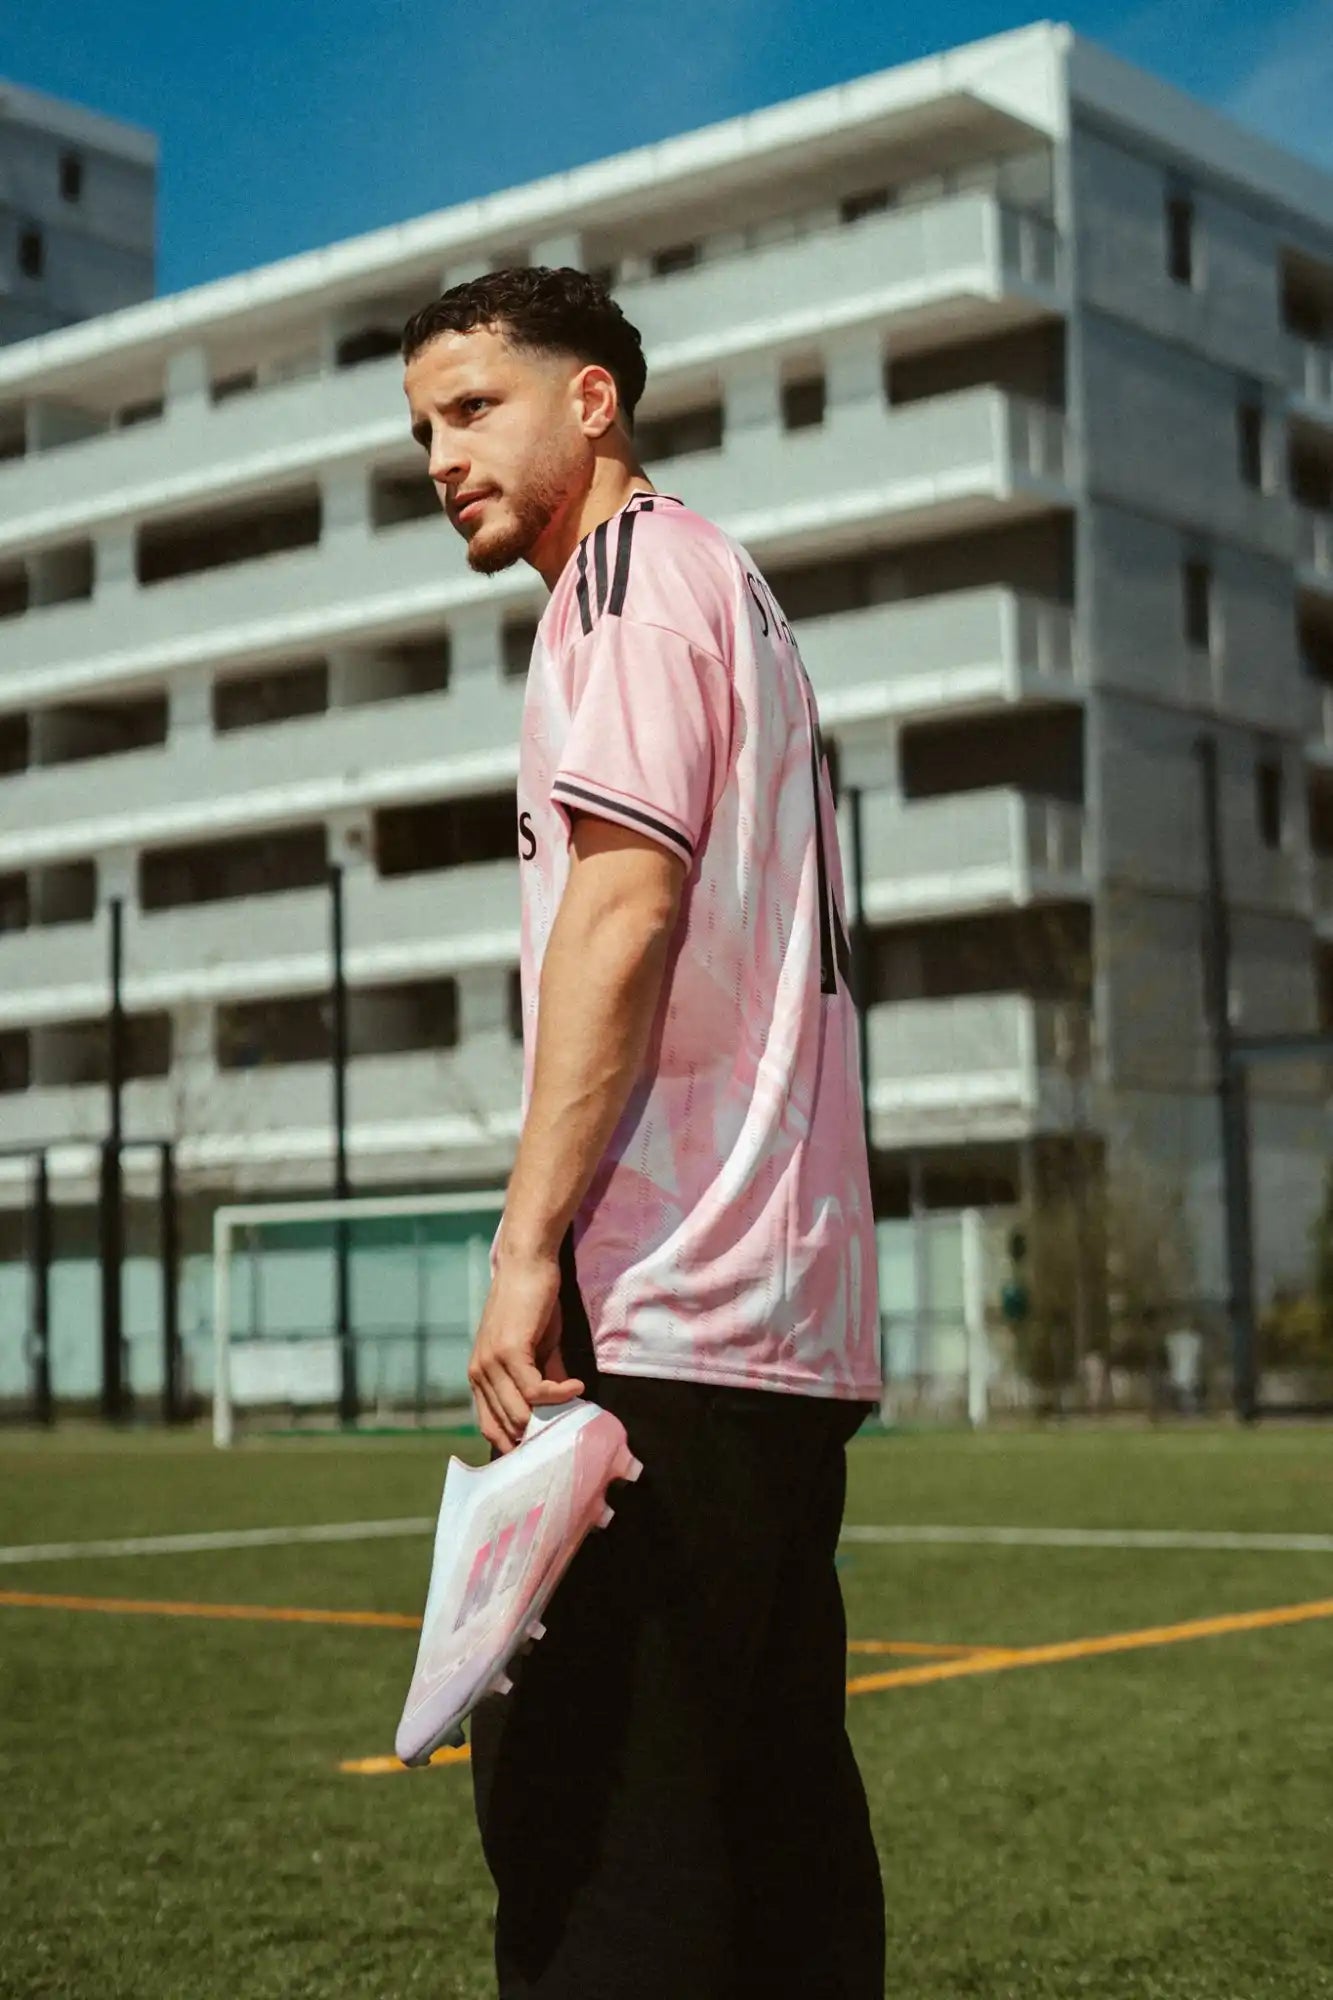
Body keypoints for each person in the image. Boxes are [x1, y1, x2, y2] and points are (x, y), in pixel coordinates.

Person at [402, 266, 885, 2000]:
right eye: (423, 429)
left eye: (472, 410)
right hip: (785, 1318)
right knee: (773, 1826)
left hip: (663, 1298)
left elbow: (622, 915)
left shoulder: (618, 590)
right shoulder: (730, 586)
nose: (441, 455)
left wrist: (526, 1246)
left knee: (596, 1831)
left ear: (589, 401)